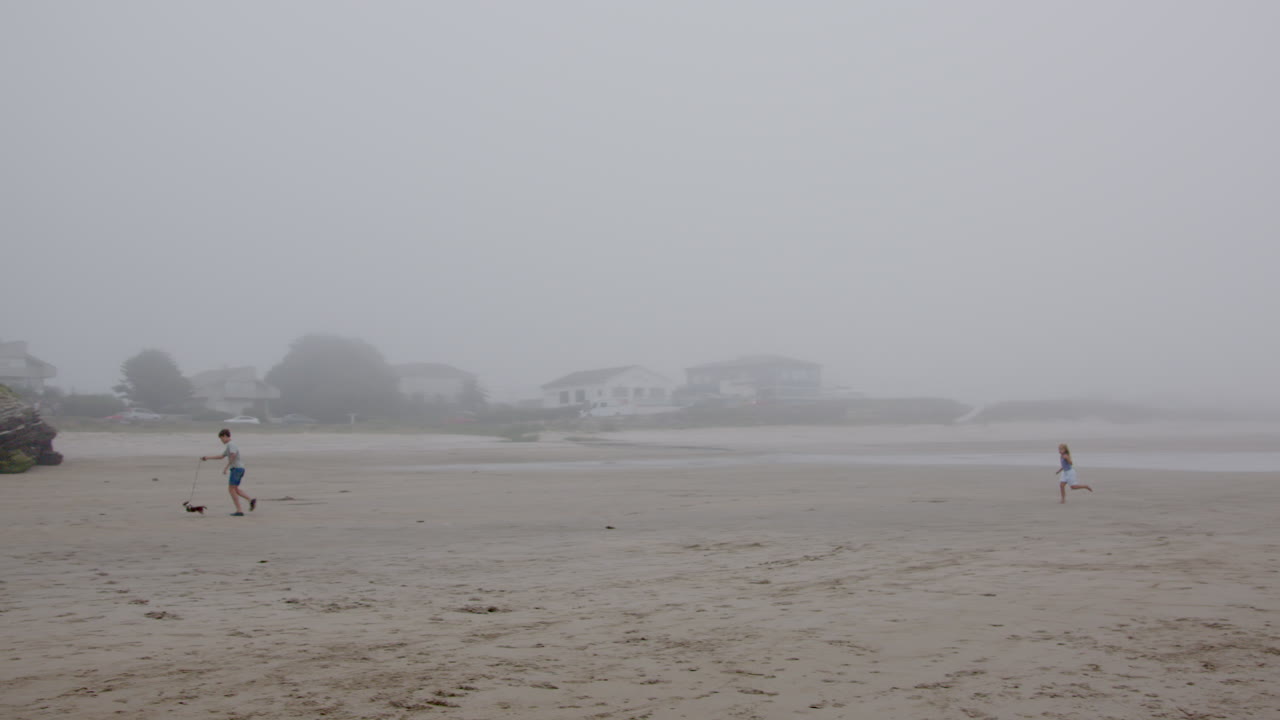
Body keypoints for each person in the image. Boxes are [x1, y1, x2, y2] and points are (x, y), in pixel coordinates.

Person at [201, 428, 256, 516]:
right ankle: (250, 500)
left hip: (236, 469)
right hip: (239, 469)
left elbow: (233, 455)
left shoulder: (231, 445)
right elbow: (221, 456)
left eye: (221, 438)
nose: (221, 440)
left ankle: (239, 510)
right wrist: (207, 458)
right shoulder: (229, 446)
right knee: (235, 489)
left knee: (231, 490)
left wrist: (226, 467)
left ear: (225, 436)